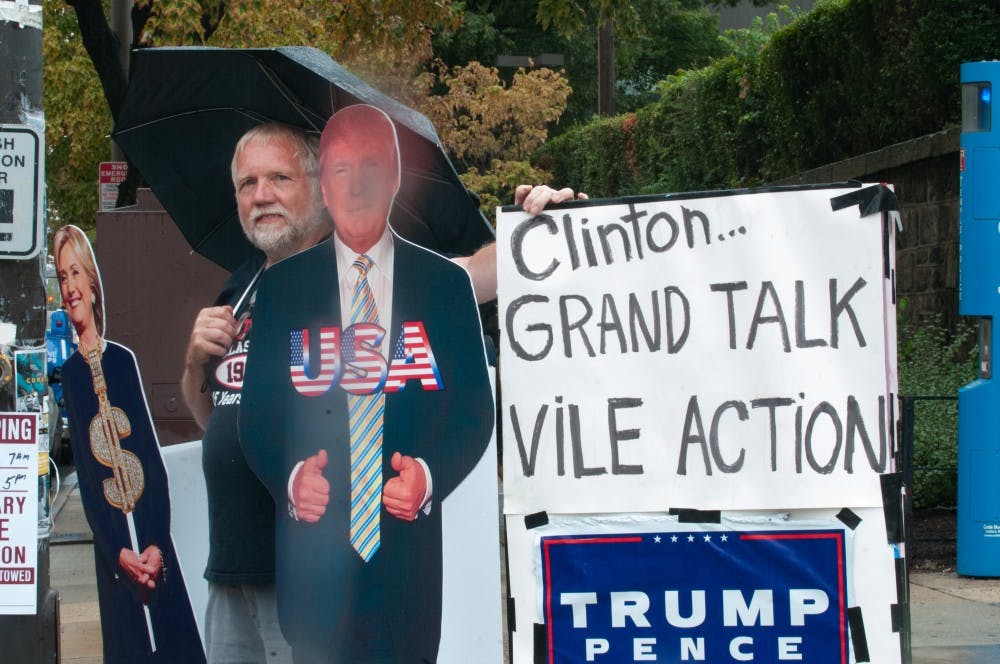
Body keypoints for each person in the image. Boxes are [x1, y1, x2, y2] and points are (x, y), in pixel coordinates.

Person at [181, 119, 581, 663]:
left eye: (278, 178)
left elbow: (472, 277)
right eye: (248, 184)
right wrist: (193, 365)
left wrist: (536, 226)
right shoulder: (247, 287)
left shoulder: (387, 280)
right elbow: (217, 418)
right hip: (230, 572)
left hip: (313, 578)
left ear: (316, 188)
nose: (262, 195)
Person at [238, 104, 493, 662]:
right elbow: (256, 418)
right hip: (315, 574)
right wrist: (291, 476)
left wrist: (427, 477)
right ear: (324, 185)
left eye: (371, 167)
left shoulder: (445, 286)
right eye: (341, 169)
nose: (356, 185)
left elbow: (475, 414)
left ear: (396, 177)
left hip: (409, 574)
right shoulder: (282, 290)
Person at [56, 224, 204, 663]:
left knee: (174, 643)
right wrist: (115, 549)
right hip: (115, 553)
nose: (69, 287)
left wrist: (156, 543)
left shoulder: (123, 361)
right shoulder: (70, 375)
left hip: (154, 543)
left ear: (93, 285)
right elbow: (85, 473)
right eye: (62, 277)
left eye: (75, 273)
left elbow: (150, 461)